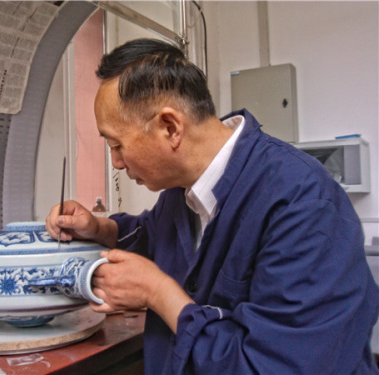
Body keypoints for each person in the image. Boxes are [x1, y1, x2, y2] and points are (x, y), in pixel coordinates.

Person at [46, 38, 379, 374]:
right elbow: (152, 235)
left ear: (170, 127)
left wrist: (158, 293)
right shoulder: (181, 195)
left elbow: (274, 365)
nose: (116, 163)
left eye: (117, 145)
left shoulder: (302, 202)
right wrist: (100, 229)